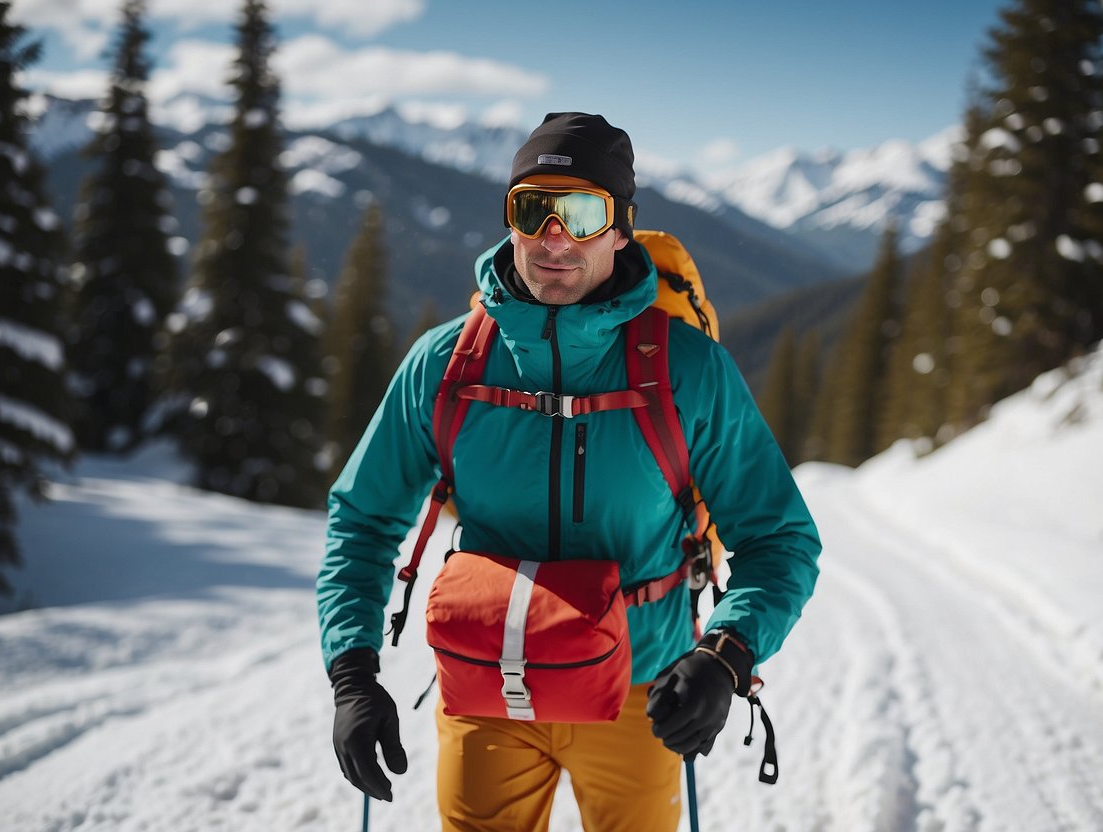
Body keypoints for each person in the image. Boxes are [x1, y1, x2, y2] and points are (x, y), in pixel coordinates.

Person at [316, 112, 821, 831]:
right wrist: (352, 675)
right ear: (510, 220)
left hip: (640, 691)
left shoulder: (686, 369)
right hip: (486, 687)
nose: (555, 236)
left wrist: (725, 655)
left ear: (620, 228)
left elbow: (779, 539)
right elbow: (362, 523)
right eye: (534, 209)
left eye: (582, 213)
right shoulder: (444, 363)